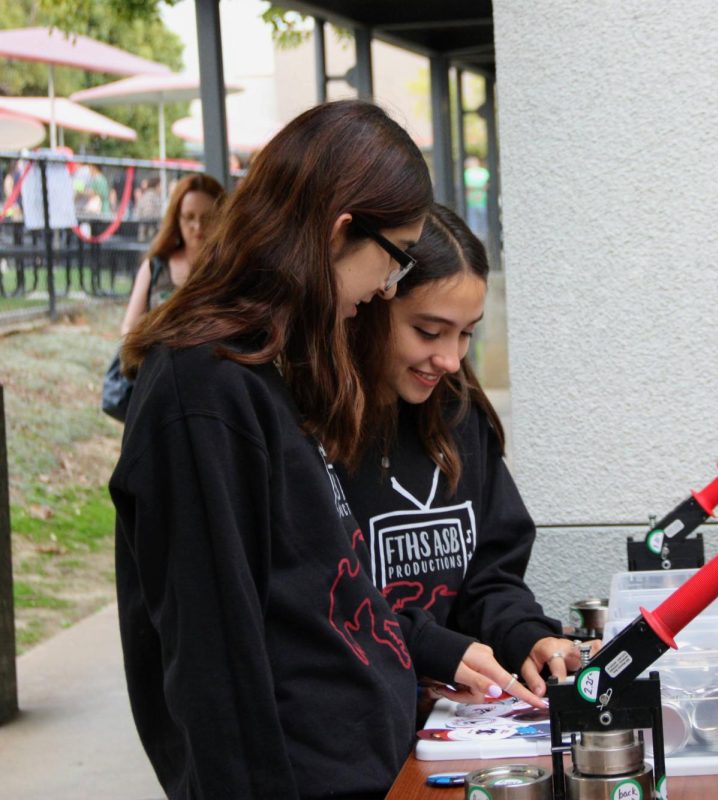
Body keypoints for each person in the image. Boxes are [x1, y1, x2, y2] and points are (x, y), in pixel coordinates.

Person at [110, 100, 543, 800]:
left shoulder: (260, 370)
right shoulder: (205, 389)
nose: (384, 289)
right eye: (394, 261)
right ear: (341, 230)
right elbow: (213, 667)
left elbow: (322, 594)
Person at [341, 204, 591, 701]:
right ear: (370, 302)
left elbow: (491, 574)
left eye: (467, 333)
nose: (450, 360)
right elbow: (330, 605)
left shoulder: (459, 414)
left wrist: (525, 634)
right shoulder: (313, 437)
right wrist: (431, 651)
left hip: (456, 723)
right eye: (429, 332)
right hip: (365, 729)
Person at [119, 173, 225, 336]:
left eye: (208, 217)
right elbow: (128, 330)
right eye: (189, 217)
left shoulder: (232, 269)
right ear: (176, 219)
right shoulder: (155, 266)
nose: (198, 226)